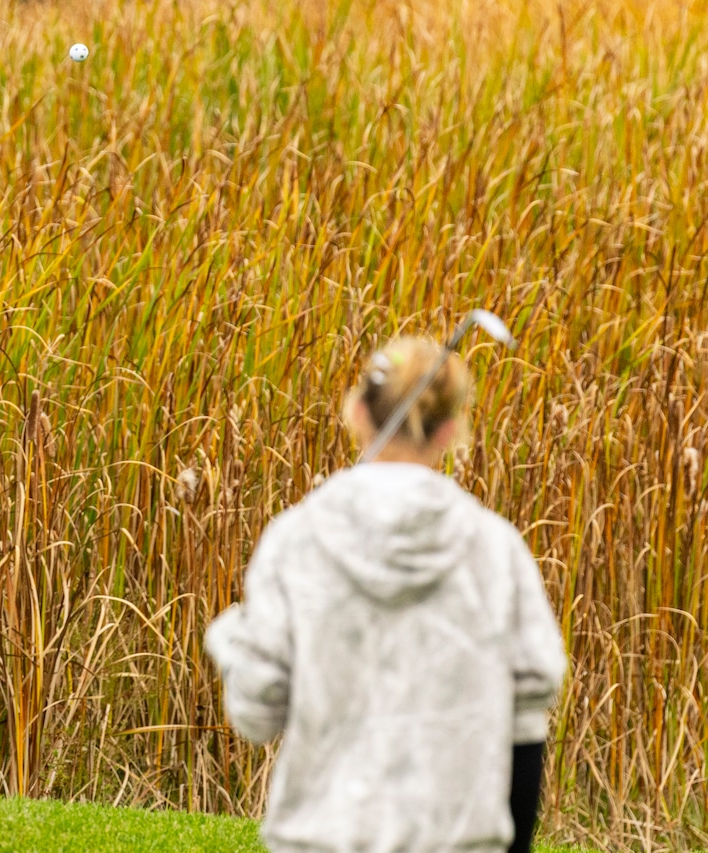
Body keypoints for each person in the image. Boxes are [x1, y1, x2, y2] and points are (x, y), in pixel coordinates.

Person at [205, 336, 567, 853]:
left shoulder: (295, 540)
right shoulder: (496, 549)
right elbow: (529, 709)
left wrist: (230, 640)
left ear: (356, 413)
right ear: (449, 431)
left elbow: (255, 713)